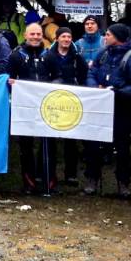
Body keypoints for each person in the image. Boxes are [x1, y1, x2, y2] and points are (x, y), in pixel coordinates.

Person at [85, 23, 131, 198]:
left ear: (117, 37)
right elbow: (92, 73)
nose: (105, 37)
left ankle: (123, 183)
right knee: (93, 144)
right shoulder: (103, 54)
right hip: (101, 106)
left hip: (122, 108)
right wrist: (96, 88)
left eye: (108, 34)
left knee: (122, 147)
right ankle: (92, 179)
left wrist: (116, 92)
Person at [7, 23, 52, 195]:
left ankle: (47, 180)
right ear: (25, 35)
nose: (35, 37)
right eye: (32, 34)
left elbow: (58, 77)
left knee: (47, 144)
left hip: (47, 107)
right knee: (26, 146)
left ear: (42, 35)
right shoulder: (16, 55)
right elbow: (7, 78)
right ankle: (28, 182)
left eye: (38, 34)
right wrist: (12, 85)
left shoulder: (49, 55)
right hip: (24, 106)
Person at [43, 26, 89, 187]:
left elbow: (84, 76)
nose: (66, 40)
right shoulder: (48, 56)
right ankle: (49, 173)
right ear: (57, 38)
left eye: (69, 37)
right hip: (53, 102)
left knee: (71, 140)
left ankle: (71, 174)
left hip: (71, 103)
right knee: (51, 140)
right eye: (63, 37)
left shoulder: (77, 57)